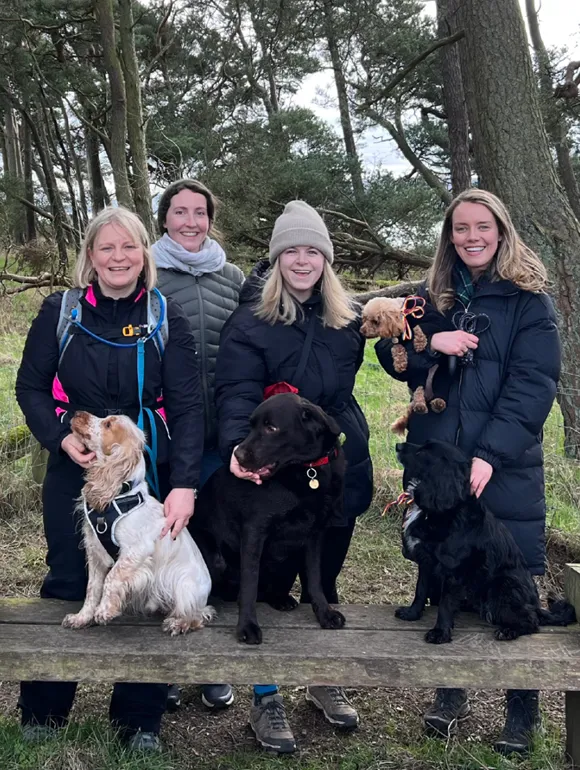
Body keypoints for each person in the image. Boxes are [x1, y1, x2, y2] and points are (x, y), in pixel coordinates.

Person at [376, 188, 560, 755]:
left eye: (482, 227)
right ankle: (449, 696)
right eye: (460, 228)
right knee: (439, 562)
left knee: (513, 572)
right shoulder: (432, 299)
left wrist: (490, 453)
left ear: (501, 231)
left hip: (502, 465)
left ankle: (520, 713)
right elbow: (392, 353)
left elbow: (534, 385)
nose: (471, 237)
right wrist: (433, 339)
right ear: (448, 236)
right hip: (437, 461)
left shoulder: (530, 303)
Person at [15, 207, 204, 752]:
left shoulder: (167, 317)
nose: (118, 258)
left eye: (129, 248)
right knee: (70, 577)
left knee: (146, 591)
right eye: (106, 249)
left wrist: (185, 484)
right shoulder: (62, 311)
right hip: (75, 468)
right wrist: (59, 436)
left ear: (145, 253)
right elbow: (29, 387)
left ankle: (138, 721)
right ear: (90, 257)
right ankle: (44, 710)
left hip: (148, 475)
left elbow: (191, 408)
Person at [214, 200, 374, 754]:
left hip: (334, 463)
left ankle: (322, 675)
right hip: (272, 468)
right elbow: (235, 393)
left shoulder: (346, 319)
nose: (302, 261)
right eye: (291, 251)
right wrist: (239, 451)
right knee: (266, 577)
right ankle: (266, 692)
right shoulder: (250, 320)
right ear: (277, 258)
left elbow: (347, 389)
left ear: (326, 261)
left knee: (323, 574)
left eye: (313, 251)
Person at [152, 178, 244, 711]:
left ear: (211, 219)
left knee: (211, 550)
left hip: (223, 438)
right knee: (162, 547)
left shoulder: (232, 277)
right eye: (180, 212)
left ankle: (209, 662)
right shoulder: (148, 274)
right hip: (167, 436)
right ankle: (162, 669)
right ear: (164, 218)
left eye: (200, 212)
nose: (190, 221)